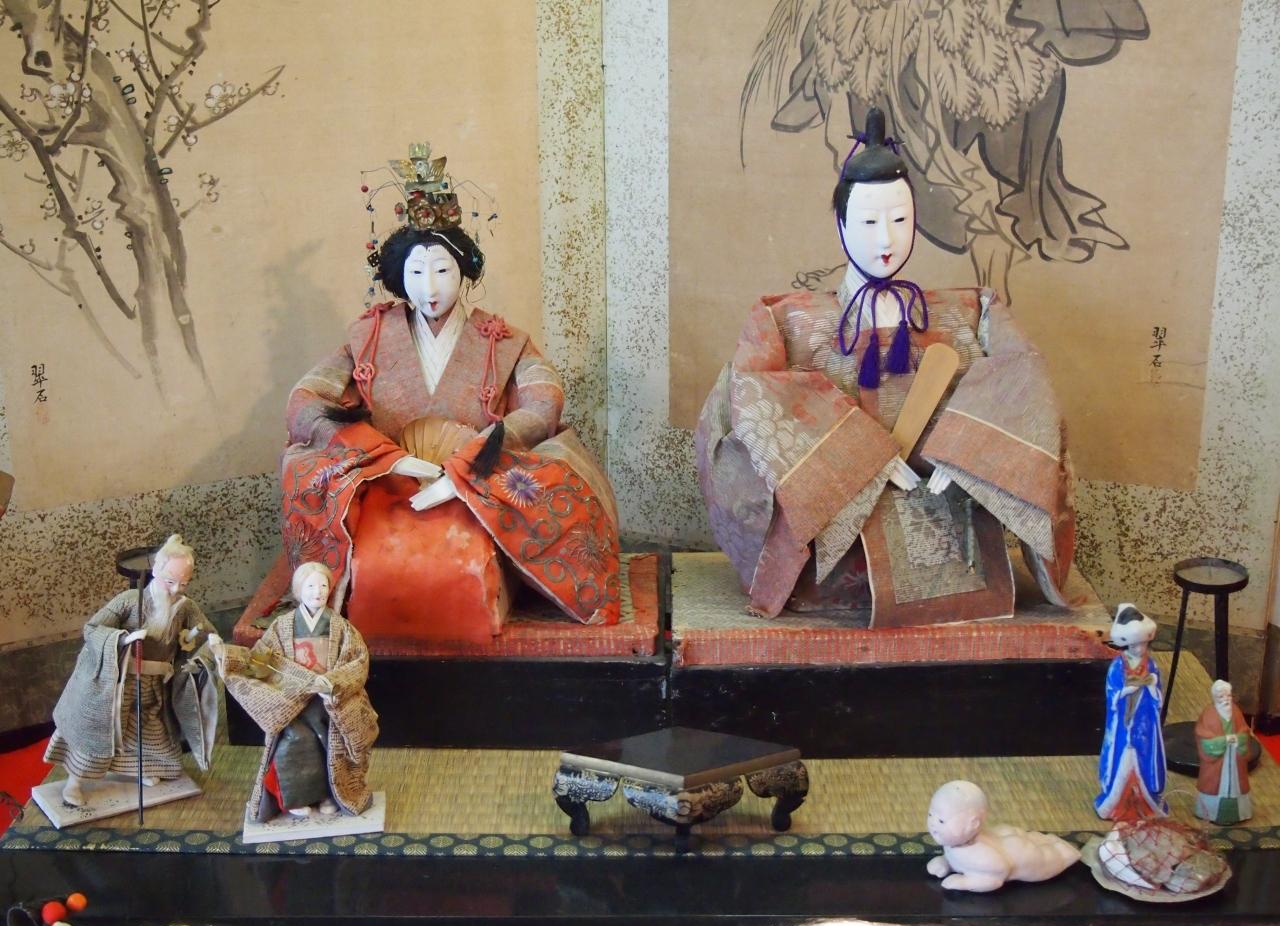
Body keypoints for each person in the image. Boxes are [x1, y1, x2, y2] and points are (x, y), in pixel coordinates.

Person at [695, 107, 1075, 627]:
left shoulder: (970, 313)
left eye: (899, 220)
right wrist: (858, 457)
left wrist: (970, 452)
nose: (885, 240)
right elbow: (753, 399)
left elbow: (1022, 376)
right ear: (841, 225)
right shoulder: (790, 321)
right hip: (839, 543)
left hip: (949, 516)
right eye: (869, 222)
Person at [246, 152, 621, 647]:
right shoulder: (370, 336)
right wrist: (380, 456)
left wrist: (470, 467)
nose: (430, 288)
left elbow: (543, 401)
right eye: (416, 272)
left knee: (508, 519)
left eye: (443, 270)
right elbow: (306, 398)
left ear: (464, 272)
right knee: (351, 526)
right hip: (387, 482)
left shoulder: (502, 340)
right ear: (397, 276)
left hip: (478, 483)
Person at [45, 535, 220, 807]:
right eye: (170, 581)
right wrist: (123, 639)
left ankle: (139, 768)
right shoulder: (129, 600)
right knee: (100, 731)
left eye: (183, 584)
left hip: (154, 684)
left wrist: (207, 644)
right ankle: (75, 781)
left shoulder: (186, 608)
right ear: (156, 571)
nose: (175, 589)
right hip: (118, 681)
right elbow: (92, 628)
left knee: (152, 733)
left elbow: (206, 634)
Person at [215, 563, 377, 822]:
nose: (318, 591)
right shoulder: (282, 626)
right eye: (310, 586)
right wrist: (225, 654)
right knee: (293, 741)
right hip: (292, 704)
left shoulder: (341, 627)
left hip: (327, 703)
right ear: (299, 590)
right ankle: (297, 799)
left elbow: (358, 661)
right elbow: (260, 659)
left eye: (323, 585)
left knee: (330, 745)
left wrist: (333, 683)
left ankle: (330, 796)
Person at [926, 780, 1079, 892]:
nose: (932, 824)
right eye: (930, 815)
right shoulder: (957, 843)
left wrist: (965, 882)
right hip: (1011, 842)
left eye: (941, 821)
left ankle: (1065, 850)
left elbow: (997, 874)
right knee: (1019, 839)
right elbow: (960, 860)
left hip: (1033, 862)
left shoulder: (980, 855)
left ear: (973, 824)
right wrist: (946, 862)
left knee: (1048, 854)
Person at [1095, 603, 1167, 821]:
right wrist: (1127, 690)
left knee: (1145, 759)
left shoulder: (1151, 665)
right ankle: (1115, 803)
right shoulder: (1118, 665)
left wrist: (1151, 685)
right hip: (1123, 722)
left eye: (1143, 644)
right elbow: (1112, 693)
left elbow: (1158, 694)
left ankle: (1146, 803)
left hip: (1145, 721)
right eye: (1135, 645)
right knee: (1120, 759)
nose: (1139, 649)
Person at [1194, 679, 1253, 825]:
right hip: (1217, 763)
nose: (1226, 699)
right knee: (1213, 785)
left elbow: (1244, 730)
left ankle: (1238, 814)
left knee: (1236, 786)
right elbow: (1202, 735)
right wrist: (1224, 741)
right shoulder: (1209, 714)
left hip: (1234, 760)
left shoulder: (1236, 711)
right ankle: (1210, 813)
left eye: (1228, 696)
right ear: (1215, 698)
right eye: (1221, 696)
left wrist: (1238, 739)